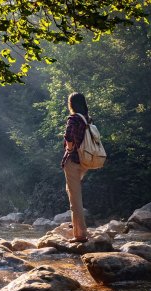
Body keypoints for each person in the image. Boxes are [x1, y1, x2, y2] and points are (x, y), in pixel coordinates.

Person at [61, 92, 90, 243]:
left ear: (71, 104)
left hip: (73, 160)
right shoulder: (87, 119)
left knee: (75, 198)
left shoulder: (73, 119)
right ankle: (78, 228)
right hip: (84, 161)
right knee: (73, 193)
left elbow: (69, 137)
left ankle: (80, 235)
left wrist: (70, 149)